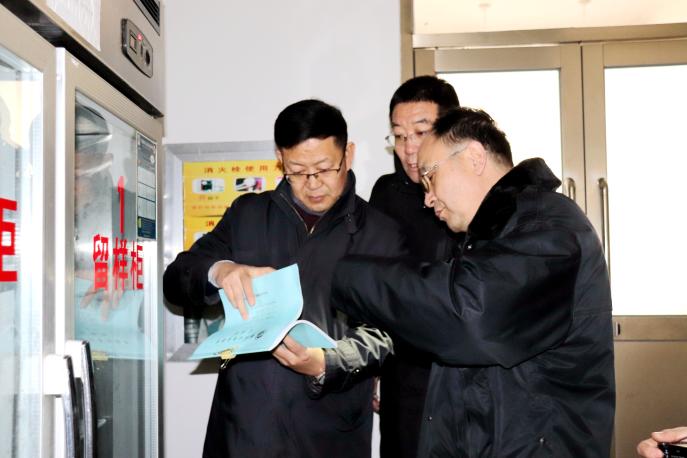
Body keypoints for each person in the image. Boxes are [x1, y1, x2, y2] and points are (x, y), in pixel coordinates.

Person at [331, 107, 616, 457]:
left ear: (474, 157)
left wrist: (340, 275)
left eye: (430, 176)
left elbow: (469, 317)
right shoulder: (491, 236)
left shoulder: (546, 226)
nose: (428, 198)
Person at [163, 99, 406, 458]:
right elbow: (176, 279)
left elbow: (391, 333)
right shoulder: (248, 214)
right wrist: (220, 270)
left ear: (348, 154)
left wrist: (328, 363)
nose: (313, 184)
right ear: (280, 159)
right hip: (244, 428)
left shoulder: (381, 234)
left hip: (329, 432)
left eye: (325, 169)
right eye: (297, 171)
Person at [370, 75, 459, 458]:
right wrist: (371, 367)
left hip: (459, 375)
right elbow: (374, 287)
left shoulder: (471, 194)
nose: (409, 149)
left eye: (420, 133)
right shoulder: (386, 194)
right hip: (402, 375)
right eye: (399, 135)